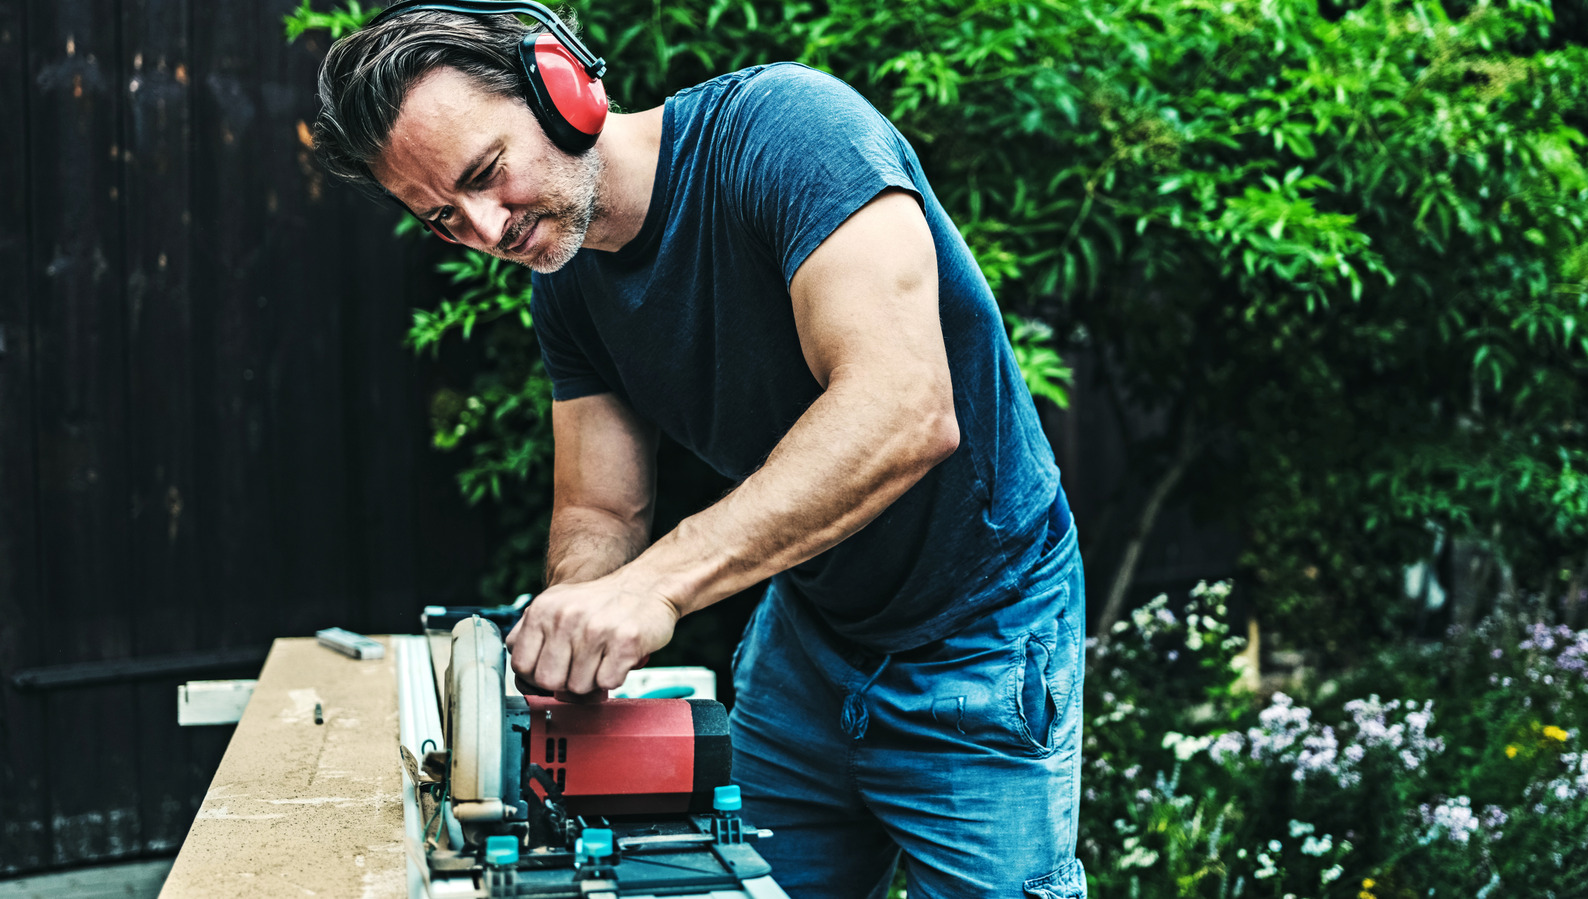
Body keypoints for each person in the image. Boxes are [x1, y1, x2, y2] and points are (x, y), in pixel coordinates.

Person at [313, 3, 1087, 896]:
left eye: (486, 173)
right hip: (811, 630)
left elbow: (905, 407)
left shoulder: (793, 135)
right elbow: (602, 510)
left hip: (982, 636)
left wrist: (654, 586)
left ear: (563, 85)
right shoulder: (566, 287)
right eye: (445, 218)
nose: (487, 231)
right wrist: (572, 626)